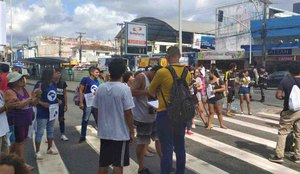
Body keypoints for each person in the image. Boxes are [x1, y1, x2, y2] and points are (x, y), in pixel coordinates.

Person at [148, 46, 192, 174]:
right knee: (180, 147)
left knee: (167, 147)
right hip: (181, 113)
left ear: (167, 56)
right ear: (179, 56)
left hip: (165, 113)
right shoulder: (187, 72)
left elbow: (150, 91)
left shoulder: (162, 72)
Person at [93, 59, 135, 174]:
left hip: (105, 132)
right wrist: (131, 131)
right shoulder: (124, 89)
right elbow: (128, 113)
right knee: (118, 164)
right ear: (123, 73)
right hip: (120, 134)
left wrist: (100, 123)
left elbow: (95, 108)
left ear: (109, 71)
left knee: (103, 163)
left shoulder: (101, 88)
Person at [130, 66, 162, 174]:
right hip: (143, 117)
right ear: (152, 72)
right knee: (142, 143)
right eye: (157, 76)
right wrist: (147, 92)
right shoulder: (141, 77)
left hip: (155, 115)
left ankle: (165, 163)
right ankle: (141, 168)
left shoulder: (156, 79)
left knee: (159, 140)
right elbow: (132, 91)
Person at [5, 72, 40, 171]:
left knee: (20, 141)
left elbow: (32, 103)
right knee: (20, 141)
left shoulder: (23, 90)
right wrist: (31, 98)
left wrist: (37, 96)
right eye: (19, 79)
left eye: (22, 79)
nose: (22, 81)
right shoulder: (10, 92)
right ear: (13, 82)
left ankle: (8, 158)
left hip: (26, 118)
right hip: (17, 119)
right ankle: (22, 164)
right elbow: (19, 105)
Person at [269, 62, 300, 164]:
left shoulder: (286, 80)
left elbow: (278, 95)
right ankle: (297, 156)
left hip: (288, 111)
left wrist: (284, 97)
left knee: (283, 132)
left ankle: (279, 156)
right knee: (299, 133)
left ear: (289, 70)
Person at [33, 67, 59, 160]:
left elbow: (53, 95)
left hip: (52, 111)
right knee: (40, 132)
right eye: (54, 72)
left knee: (50, 129)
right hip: (42, 112)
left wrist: (57, 100)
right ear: (50, 74)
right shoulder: (39, 84)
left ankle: (49, 148)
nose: (56, 74)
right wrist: (42, 103)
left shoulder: (54, 84)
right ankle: (37, 151)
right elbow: (33, 98)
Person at [78, 66, 101, 143]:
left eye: (98, 72)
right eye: (96, 72)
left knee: (98, 120)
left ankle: (101, 134)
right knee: (85, 119)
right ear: (91, 72)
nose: (98, 74)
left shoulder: (97, 81)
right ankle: (83, 136)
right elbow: (80, 90)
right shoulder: (85, 79)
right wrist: (81, 102)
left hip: (96, 104)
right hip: (88, 103)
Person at [53, 68, 68, 141]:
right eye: (57, 73)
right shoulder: (51, 83)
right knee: (51, 120)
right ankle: (49, 135)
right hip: (52, 104)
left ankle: (62, 134)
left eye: (59, 73)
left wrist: (66, 105)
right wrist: (56, 100)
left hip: (61, 104)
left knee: (61, 118)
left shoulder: (63, 83)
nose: (58, 74)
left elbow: (65, 94)